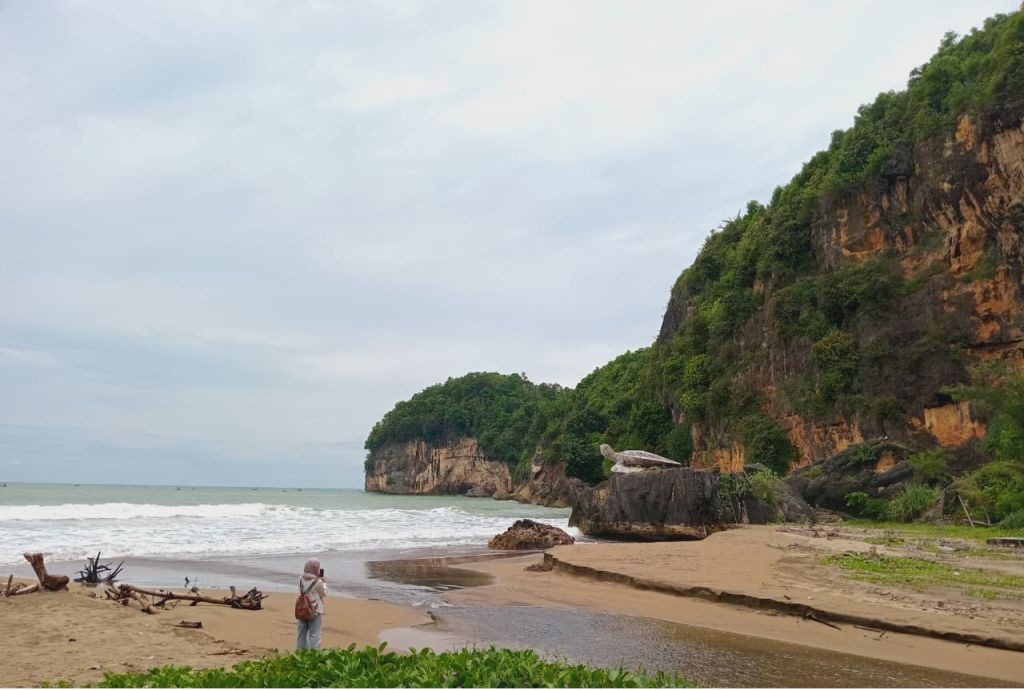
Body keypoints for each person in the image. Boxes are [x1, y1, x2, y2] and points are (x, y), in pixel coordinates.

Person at [296, 557, 327, 650]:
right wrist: (324, 582)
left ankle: (300, 654)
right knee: (314, 635)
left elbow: (301, 590)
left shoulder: (300, 578)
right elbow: (323, 594)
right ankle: (313, 655)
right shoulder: (318, 582)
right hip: (315, 610)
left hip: (302, 609)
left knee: (301, 634)